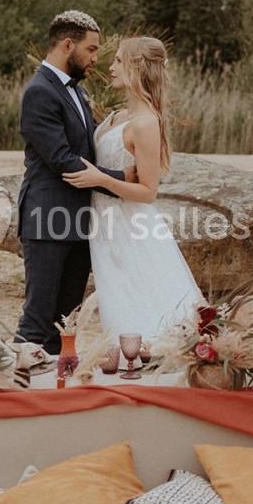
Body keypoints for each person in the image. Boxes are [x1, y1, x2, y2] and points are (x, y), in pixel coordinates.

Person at [62, 36, 203, 343]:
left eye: (118, 61)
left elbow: (149, 191)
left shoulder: (145, 123)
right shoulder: (119, 116)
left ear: (137, 68)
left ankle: (145, 353)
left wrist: (102, 179)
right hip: (104, 222)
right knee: (119, 293)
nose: (110, 67)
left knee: (138, 293)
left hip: (130, 223)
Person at [14, 10, 132, 357]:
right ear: (68, 45)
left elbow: (87, 150)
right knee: (38, 319)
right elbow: (64, 160)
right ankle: (18, 393)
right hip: (48, 221)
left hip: (79, 222)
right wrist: (124, 180)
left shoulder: (76, 93)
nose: (96, 59)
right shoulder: (39, 92)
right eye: (92, 50)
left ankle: (52, 394)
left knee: (65, 322)